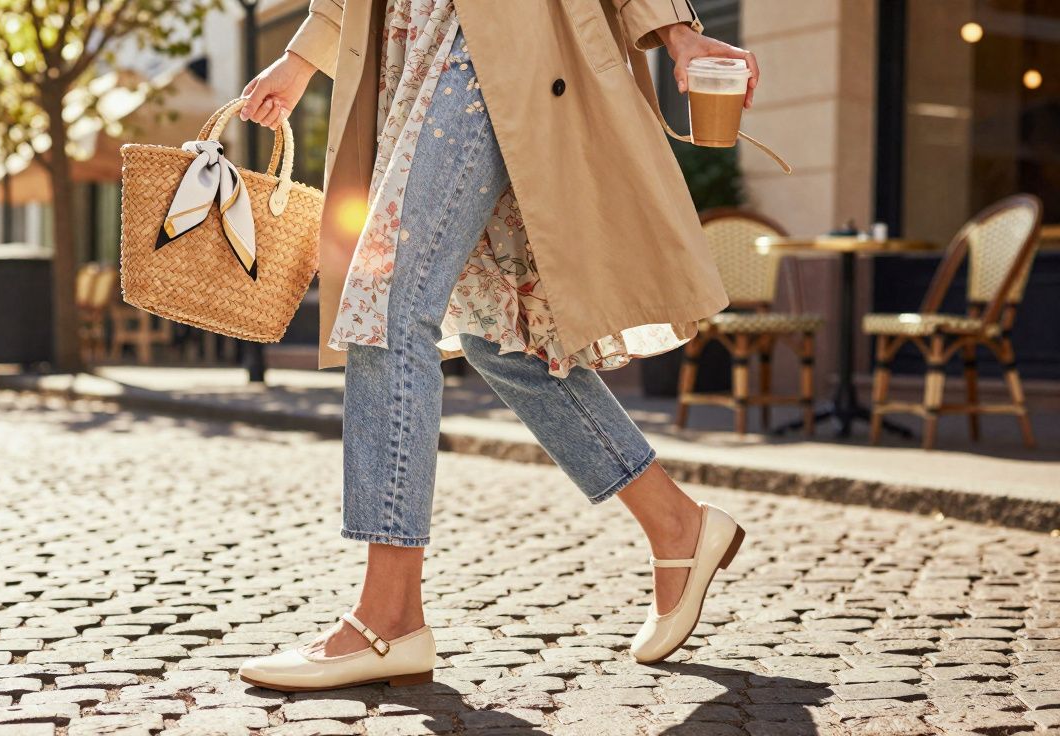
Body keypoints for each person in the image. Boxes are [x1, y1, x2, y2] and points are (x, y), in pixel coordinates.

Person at [235, 0, 760, 692]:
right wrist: (302, 57)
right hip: (415, 55)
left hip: (487, 49)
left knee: (387, 307)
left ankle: (389, 615)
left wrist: (680, 33)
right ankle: (677, 525)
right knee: (495, 334)